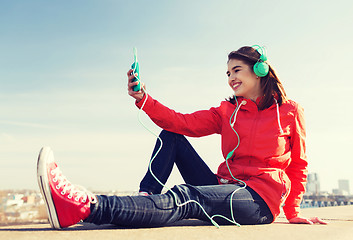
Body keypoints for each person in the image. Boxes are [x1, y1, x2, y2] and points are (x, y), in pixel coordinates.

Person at [37, 46, 327, 230]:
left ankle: (86, 207)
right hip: (224, 186)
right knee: (172, 135)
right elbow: (181, 122)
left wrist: (293, 211)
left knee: (188, 196)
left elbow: (299, 164)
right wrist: (143, 98)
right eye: (227, 73)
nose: (230, 78)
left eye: (236, 70)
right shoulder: (227, 111)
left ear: (260, 70)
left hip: (258, 200)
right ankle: (146, 199)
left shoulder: (289, 112)